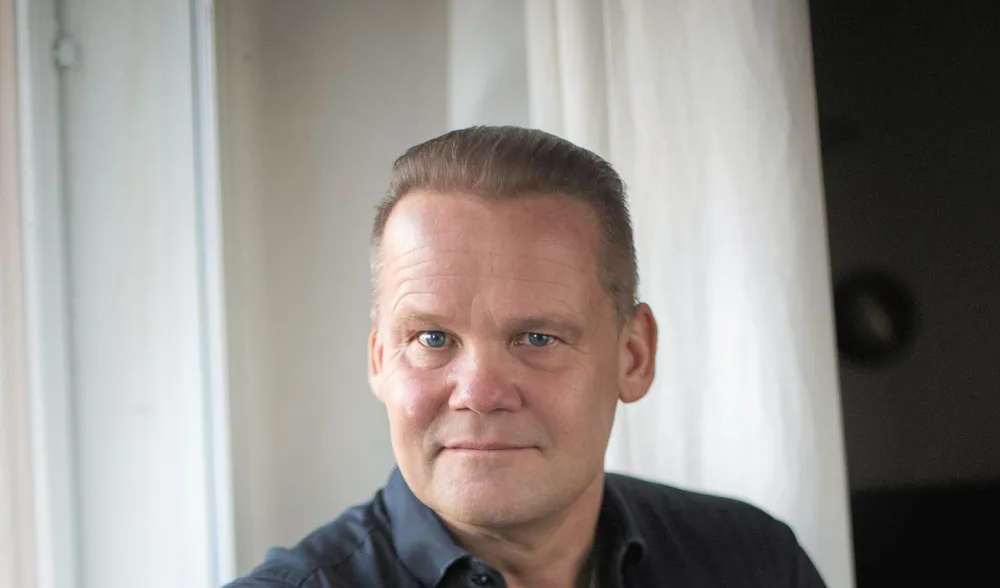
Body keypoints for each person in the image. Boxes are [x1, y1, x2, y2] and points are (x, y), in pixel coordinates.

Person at [226, 126, 827, 588]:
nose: (480, 392)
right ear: (380, 359)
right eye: (432, 339)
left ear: (634, 356)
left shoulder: (756, 563)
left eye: (537, 338)